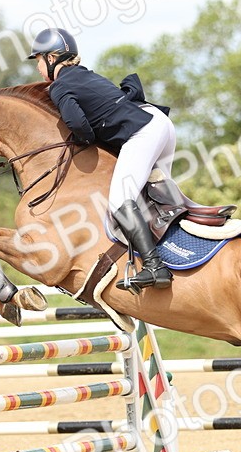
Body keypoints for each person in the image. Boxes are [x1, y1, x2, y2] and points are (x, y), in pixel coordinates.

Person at [28, 27, 174, 291]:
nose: (37, 67)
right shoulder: (83, 75)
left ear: (52, 58)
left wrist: (83, 141)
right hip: (159, 122)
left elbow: (79, 125)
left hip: (143, 131)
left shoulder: (60, 86)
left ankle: (155, 267)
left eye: (38, 59)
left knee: (120, 201)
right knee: (156, 194)